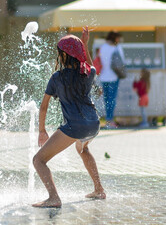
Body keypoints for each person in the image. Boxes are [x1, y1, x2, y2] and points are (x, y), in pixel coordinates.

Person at [32, 26, 106, 208]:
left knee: (38, 160)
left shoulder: (57, 77)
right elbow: (91, 66)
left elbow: (43, 107)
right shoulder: (88, 74)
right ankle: (99, 189)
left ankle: (53, 198)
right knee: (83, 150)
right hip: (93, 124)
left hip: (75, 126)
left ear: (63, 55)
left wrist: (42, 130)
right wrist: (85, 44)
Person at [99, 31, 124, 129]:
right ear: (116, 38)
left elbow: (100, 60)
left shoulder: (103, 47)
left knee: (106, 100)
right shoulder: (117, 48)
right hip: (113, 76)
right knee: (112, 99)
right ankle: (110, 120)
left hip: (103, 76)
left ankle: (107, 120)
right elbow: (123, 61)